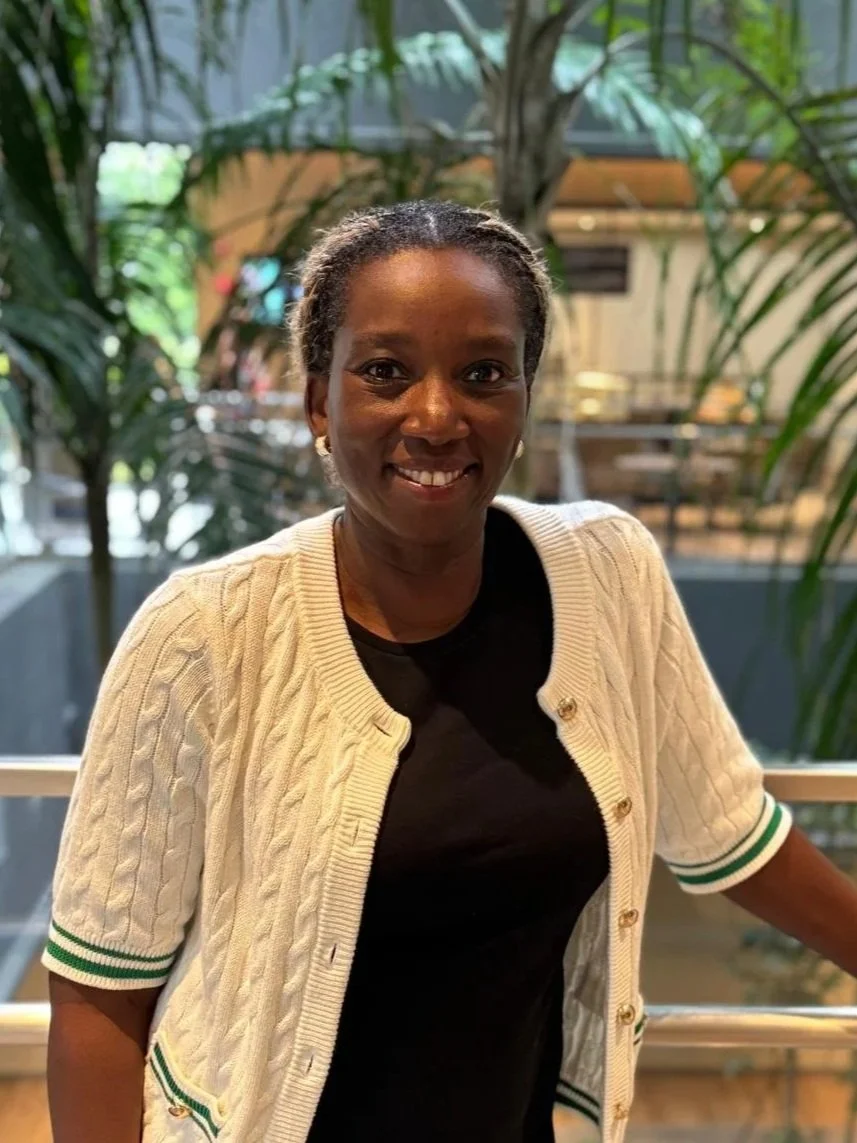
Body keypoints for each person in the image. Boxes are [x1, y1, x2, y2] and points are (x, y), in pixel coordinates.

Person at [44, 200, 857, 1143]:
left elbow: (729, 830)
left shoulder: (608, 577)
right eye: (384, 372)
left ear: (523, 397)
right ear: (319, 400)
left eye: (482, 373)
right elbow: (99, 995)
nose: (435, 416)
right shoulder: (203, 635)